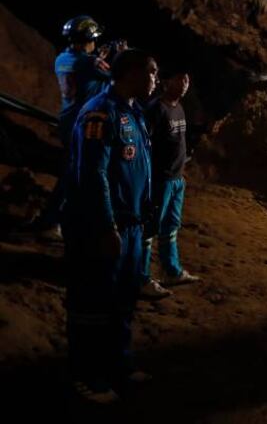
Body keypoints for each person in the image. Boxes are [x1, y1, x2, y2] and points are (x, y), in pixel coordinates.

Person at [62, 49, 157, 404]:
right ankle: (85, 375)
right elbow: (93, 173)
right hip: (100, 226)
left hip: (129, 224)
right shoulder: (100, 113)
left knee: (122, 302)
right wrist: (105, 225)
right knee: (92, 303)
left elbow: (136, 169)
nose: (155, 79)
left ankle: (118, 364)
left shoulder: (133, 112)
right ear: (131, 73)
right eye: (151, 72)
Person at [29, 16, 113, 236]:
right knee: (77, 174)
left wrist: (96, 58)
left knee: (74, 171)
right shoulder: (90, 63)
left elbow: (87, 70)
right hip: (85, 124)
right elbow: (116, 76)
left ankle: (56, 218)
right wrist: (116, 55)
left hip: (68, 120)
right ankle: (53, 220)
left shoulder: (62, 59)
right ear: (88, 39)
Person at [139, 69, 199, 300]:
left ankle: (171, 271)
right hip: (160, 179)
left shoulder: (179, 108)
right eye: (180, 78)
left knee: (171, 226)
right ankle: (141, 278)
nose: (185, 83)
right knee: (149, 228)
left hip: (176, 179)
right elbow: (145, 145)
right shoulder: (156, 109)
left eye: (187, 79)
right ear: (167, 81)